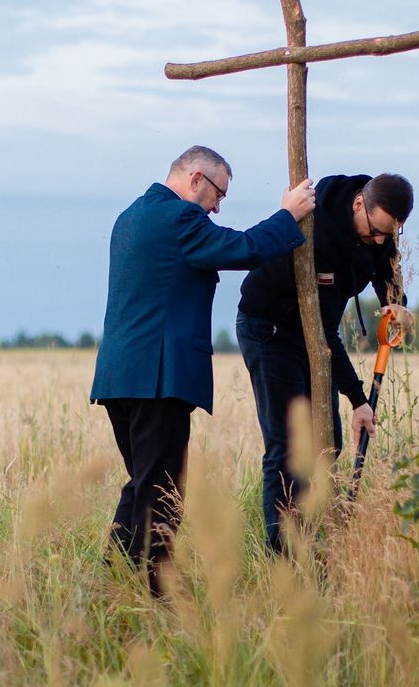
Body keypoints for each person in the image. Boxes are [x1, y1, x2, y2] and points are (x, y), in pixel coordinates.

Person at [90, 145, 316, 596]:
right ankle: (155, 594)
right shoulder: (180, 220)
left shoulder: (130, 216)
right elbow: (245, 248)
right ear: (195, 179)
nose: (216, 207)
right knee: (163, 493)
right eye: (218, 195)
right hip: (159, 378)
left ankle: (114, 580)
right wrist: (287, 215)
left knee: (142, 484)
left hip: (119, 376)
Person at [235, 173, 414, 554]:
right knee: (287, 447)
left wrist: (396, 300)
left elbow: (386, 267)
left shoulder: (379, 231)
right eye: (375, 232)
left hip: (314, 334)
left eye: (388, 234)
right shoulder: (316, 233)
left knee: (325, 441)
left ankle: (321, 544)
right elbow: (325, 336)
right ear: (358, 205)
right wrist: (357, 398)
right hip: (271, 329)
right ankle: (282, 556)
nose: (379, 240)